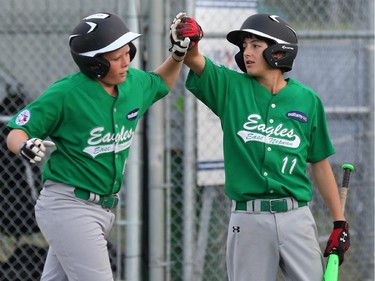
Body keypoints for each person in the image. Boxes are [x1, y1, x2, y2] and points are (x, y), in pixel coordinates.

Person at [6, 11, 190, 281]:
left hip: (101, 209)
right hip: (69, 205)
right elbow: (16, 129)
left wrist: (177, 55)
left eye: (128, 52)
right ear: (94, 65)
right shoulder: (67, 93)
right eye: (116, 58)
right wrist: (24, 146)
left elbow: (161, 82)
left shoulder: (133, 83)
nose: (126, 61)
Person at [175, 14, 350, 280]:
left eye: (256, 45)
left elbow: (320, 164)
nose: (247, 52)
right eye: (245, 46)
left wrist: (339, 222)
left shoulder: (307, 100)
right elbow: (194, 60)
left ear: (280, 51)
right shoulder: (231, 88)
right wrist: (190, 39)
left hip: (296, 217)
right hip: (248, 218)